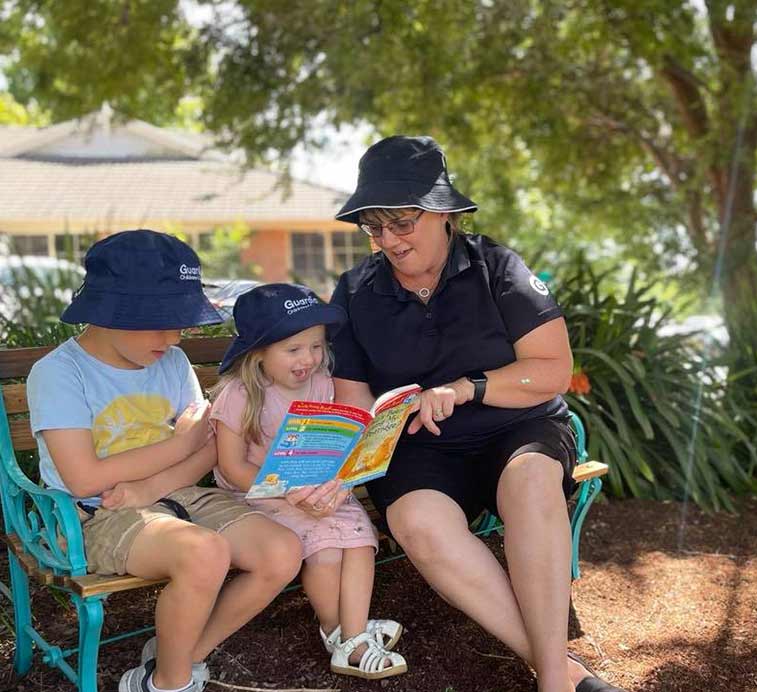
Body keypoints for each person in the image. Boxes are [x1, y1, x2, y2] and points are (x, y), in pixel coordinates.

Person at [329, 135, 626, 692]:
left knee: (533, 479)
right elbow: (352, 401)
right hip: (418, 448)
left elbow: (553, 370)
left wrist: (468, 387)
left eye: (401, 222)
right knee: (415, 521)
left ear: (442, 212)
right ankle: (558, 672)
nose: (388, 240)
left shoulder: (498, 267)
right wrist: (352, 444)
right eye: (374, 227)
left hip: (517, 429)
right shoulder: (353, 291)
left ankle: (552, 681)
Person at [26, 230, 303, 692]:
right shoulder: (58, 373)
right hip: (93, 514)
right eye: (161, 321)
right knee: (204, 553)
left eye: (181, 322)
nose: (174, 336)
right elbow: (82, 477)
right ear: (110, 311)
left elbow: (209, 446)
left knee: (282, 552)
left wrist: (156, 484)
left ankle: (177, 656)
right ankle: (170, 683)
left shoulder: (171, 362)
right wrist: (178, 445)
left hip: (176, 494)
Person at [208, 283, 407, 680]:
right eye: (294, 349)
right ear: (259, 351)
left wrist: (340, 479)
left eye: (316, 346)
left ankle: (347, 635)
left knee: (359, 540)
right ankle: (349, 639)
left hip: (315, 484)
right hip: (261, 494)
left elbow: (331, 440)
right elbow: (231, 468)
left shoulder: (322, 382)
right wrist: (290, 490)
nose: (309, 359)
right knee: (327, 550)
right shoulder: (239, 394)